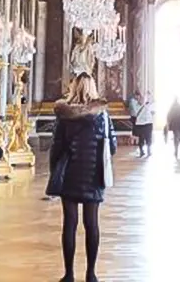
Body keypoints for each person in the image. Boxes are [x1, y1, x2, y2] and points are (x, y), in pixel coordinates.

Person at [46, 73, 116, 282]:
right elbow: (111, 145)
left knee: (70, 223)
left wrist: (54, 172)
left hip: (70, 172)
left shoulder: (64, 114)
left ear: (74, 88)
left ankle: (69, 274)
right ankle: (91, 273)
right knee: (91, 224)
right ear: (93, 88)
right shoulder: (102, 115)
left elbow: (56, 147)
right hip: (94, 173)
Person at [133, 92, 155, 157]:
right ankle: (141, 151)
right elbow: (135, 113)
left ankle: (148, 150)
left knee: (148, 137)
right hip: (140, 124)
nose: (141, 100)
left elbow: (153, 111)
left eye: (142, 99)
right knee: (141, 138)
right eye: (140, 99)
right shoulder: (136, 105)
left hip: (148, 123)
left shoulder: (148, 105)